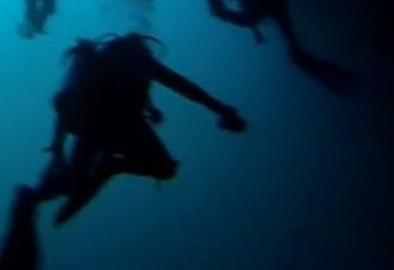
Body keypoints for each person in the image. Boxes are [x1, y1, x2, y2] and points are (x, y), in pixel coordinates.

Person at [23, 34, 245, 229]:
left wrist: (58, 150)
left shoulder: (109, 64)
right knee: (162, 168)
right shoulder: (137, 62)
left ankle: (60, 186)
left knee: (160, 168)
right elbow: (185, 87)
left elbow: (64, 104)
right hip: (103, 127)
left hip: (101, 127)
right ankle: (102, 170)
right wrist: (222, 109)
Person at [198, 0, 359, 97]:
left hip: (275, 0)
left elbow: (247, 19)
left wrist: (223, 13)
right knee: (297, 53)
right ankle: (343, 80)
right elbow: (250, 16)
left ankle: (344, 82)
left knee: (297, 54)